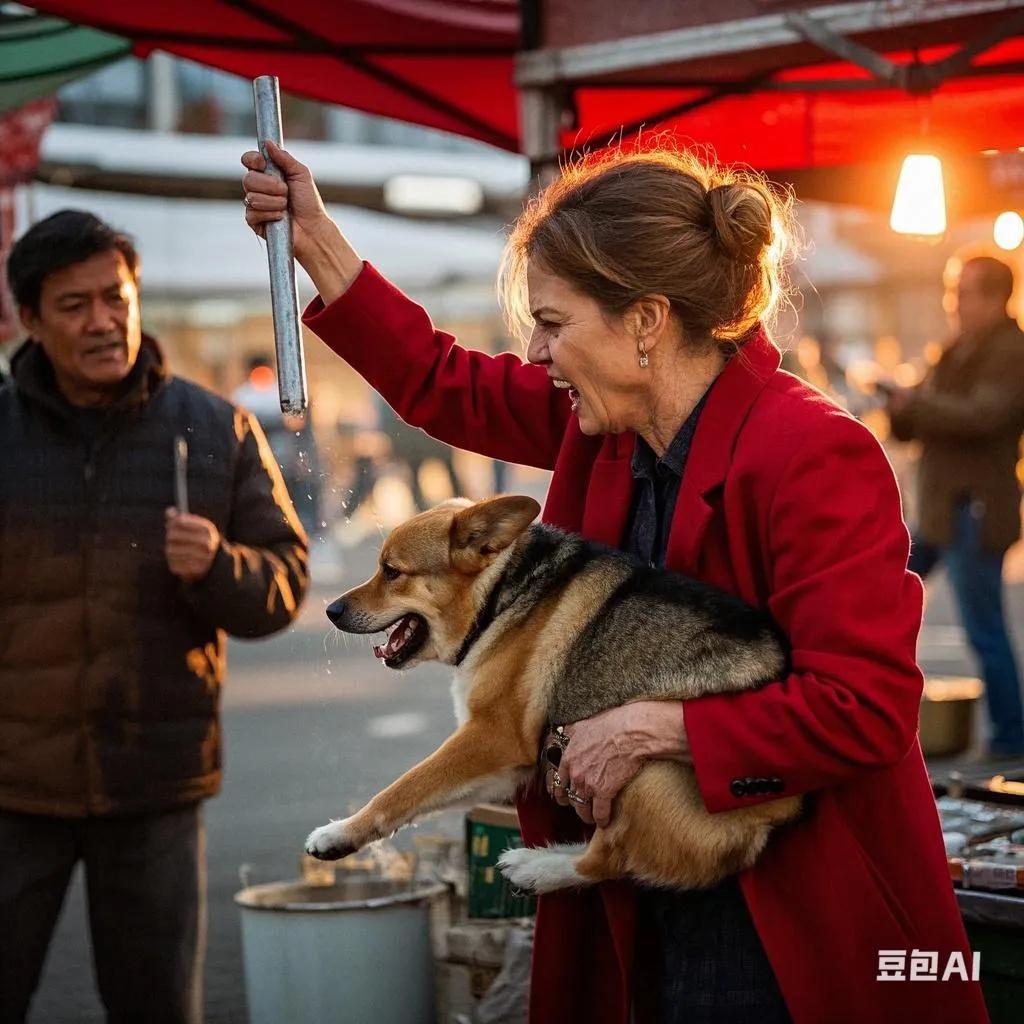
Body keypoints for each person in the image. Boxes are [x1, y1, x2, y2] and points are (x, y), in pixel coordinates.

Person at [241, 142, 988, 1024]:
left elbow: (864, 706)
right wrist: (316, 238)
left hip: (791, 903)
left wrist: (655, 728)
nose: (536, 350)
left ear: (645, 322)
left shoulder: (815, 453)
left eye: (553, 324)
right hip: (636, 879)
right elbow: (445, 383)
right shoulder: (600, 422)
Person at [0, 210, 309, 1024]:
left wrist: (218, 566)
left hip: (154, 782)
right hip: (11, 786)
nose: (104, 321)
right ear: (28, 319)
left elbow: (286, 581)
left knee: (158, 1009)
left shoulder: (215, 428)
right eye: (75, 305)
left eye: (117, 296)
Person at [887, 256, 1024, 759]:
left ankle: (1012, 737)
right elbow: (923, 417)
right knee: (882, 591)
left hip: (977, 508)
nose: (954, 304)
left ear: (993, 299)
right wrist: (901, 406)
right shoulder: (956, 349)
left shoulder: (1010, 350)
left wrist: (917, 405)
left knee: (983, 627)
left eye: (963, 293)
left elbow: (983, 416)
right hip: (942, 510)